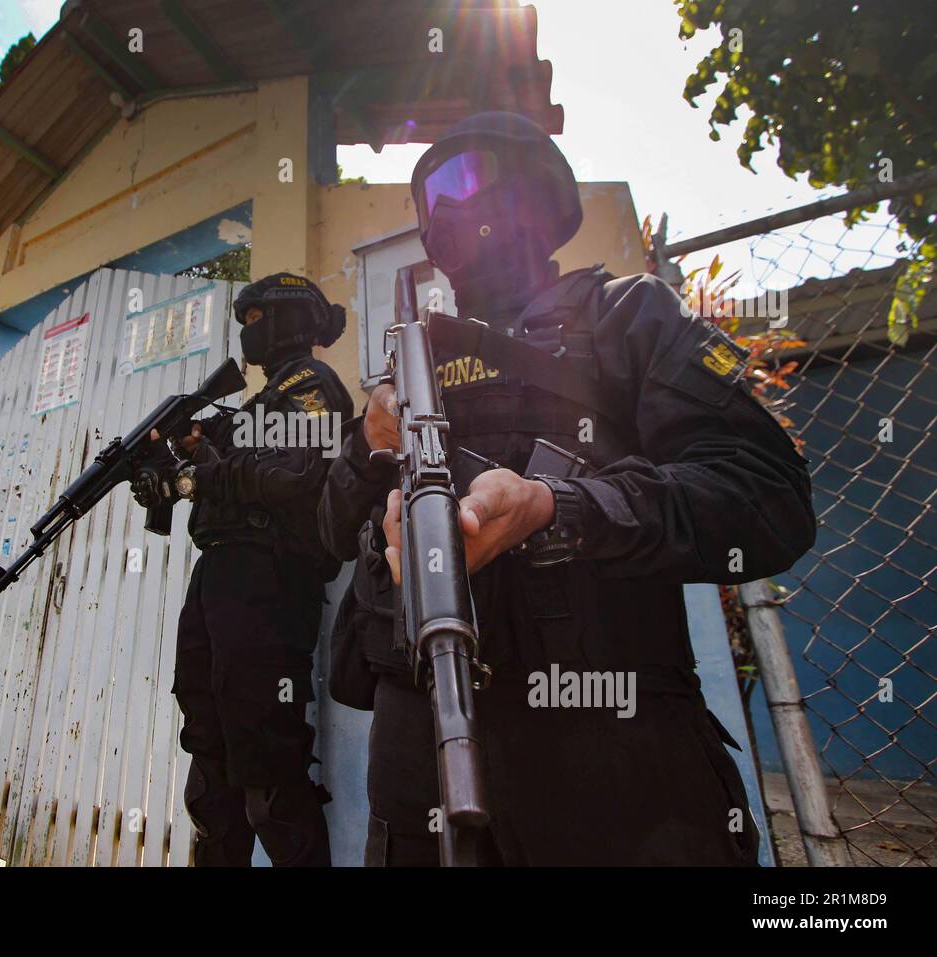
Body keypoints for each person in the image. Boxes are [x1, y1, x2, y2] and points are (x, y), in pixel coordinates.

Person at [319, 112, 816, 866]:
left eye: (461, 179)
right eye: (426, 202)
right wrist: (366, 445)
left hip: (605, 760)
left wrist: (562, 509)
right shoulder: (414, 365)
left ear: (530, 190)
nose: (442, 214)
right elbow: (328, 530)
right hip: (418, 760)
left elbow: (769, 497)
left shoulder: (626, 316)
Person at [158, 273, 352, 866]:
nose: (248, 332)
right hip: (219, 577)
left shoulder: (311, 383)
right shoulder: (255, 407)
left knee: (266, 754)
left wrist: (212, 471)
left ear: (290, 319)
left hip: (267, 581)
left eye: (257, 318)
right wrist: (185, 458)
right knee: (209, 742)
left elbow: (301, 475)